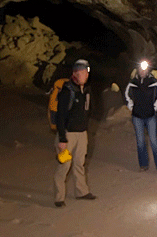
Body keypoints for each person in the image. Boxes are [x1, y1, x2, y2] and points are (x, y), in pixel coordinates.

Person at [53, 59, 96, 207]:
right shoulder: (67, 91)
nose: (83, 75)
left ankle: (81, 191)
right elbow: (60, 116)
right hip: (68, 135)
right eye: (80, 72)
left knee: (79, 163)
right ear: (75, 73)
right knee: (64, 165)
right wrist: (62, 139)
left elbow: (89, 111)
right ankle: (59, 197)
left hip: (81, 134)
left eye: (85, 72)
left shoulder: (86, 90)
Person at [124, 59, 157, 173]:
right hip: (137, 116)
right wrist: (132, 107)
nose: (142, 71)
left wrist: (154, 108)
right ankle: (143, 164)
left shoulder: (154, 82)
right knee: (140, 141)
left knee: (154, 140)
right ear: (138, 70)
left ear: (148, 70)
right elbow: (127, 97)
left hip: (150, 116)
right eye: (141, 69)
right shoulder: (133, 83)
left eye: (145, 69)